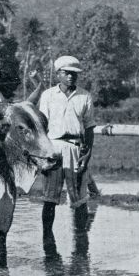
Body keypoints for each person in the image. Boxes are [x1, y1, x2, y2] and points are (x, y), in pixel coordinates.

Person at [38, 56, 96, 237]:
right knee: (50, 197)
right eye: (67, 73)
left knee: (79, 198)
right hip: (53, 148)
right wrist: (43, 155)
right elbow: (41, 126)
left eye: (74, 74)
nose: (71, 77)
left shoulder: (84, 96)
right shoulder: (48, 96)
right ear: (58, 74)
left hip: (75, 148)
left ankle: (81, 241)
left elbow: (89, 128)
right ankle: (47, 239)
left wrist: (87, 155)